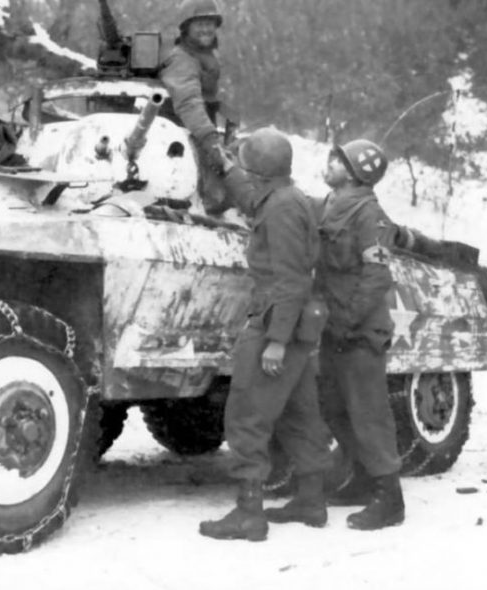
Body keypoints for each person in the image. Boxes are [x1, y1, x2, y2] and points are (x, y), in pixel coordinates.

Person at [199, 128, 332, 542]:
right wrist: (226, 167)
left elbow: (292, 279)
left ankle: (249, 513)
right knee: (298, 413)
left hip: (279, 322)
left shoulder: (280, 211)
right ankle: (312, 501)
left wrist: (275, 340)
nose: (246, 175)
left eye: (248, 167)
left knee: (247, 415)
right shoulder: (285, 197)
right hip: (297, 325)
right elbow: (254, 193)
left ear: (262, 173)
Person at [315, 138, 405, 530]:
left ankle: (390, 499)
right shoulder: (330, 204)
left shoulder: (371, 215)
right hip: (335, 328)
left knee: (369, 414)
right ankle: (363, 479)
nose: (329, 162)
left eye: (338, 160)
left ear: (355, 172)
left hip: (360, 331)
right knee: (336, 408)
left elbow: (377, 276)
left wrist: (348, 321)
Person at [159, 0, 234, 214]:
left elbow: (204, 95)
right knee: (213, 199)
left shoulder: (204, 55)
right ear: (186, 28)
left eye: (210, 23)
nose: (206, 29)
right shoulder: (182, 59)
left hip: (197, 131)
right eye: (199, 24)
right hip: (181, 139)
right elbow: (189, 103)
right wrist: (211, 140)